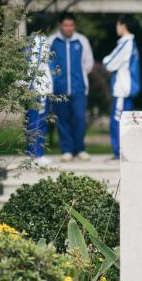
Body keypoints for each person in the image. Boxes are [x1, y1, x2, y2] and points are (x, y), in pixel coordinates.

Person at [48, 12, 94, 162]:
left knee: (80, 118)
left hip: (79, 88)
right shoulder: (52, 41)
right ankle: (67, 150)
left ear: (74, 26)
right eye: (65, 25)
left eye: (71, 25)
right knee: (62, 120)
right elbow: (47, 64)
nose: (68, 28)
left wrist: (78, 77)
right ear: (60, 25)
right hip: (58, 89)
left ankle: (80, 149)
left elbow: (89, 64)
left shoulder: (82, 41)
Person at [102, 15, 141, 160]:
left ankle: (119, 153)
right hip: (127, 90)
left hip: (122, 91)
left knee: (117, 122)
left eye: (118, 24)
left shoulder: (126, 43)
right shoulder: (131, 43)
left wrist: (106, 60)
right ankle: (124, 152)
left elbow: (109, 63)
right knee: (126, 121)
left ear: (123, 25)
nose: (117, 27)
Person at [24, 32, 53, 167]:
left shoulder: (32, 40)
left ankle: (32, 154)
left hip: (35, 88)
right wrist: (30, 87)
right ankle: (36, 156)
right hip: (38, 89)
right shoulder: (39, 40)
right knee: (38, 122)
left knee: (33, 122)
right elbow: (35, 65)